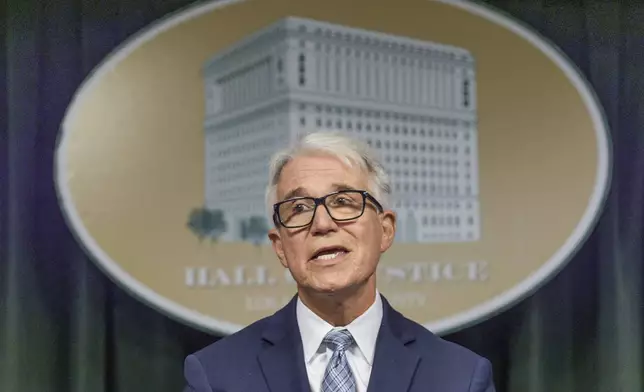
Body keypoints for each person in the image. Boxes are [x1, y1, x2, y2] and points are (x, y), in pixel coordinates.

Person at [183, 131, 496, 392]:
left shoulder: (460, 377)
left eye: (344, 202)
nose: (322, 224)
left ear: (385, 230)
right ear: (280, 247)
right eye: (299, 208)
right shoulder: (215, 376)